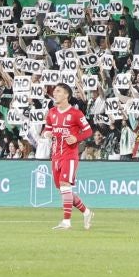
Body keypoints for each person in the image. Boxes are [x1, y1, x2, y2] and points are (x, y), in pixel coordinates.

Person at [43, 86, 95, 230]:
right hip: (55, 156)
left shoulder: (76, 113)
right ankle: (87, 212)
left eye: (58, 91)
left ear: (67, 95)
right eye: (54, 92)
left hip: (69, 155)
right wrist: (47, 134)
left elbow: (89, 130)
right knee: (64, 190)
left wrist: (76, 137)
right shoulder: (51, 113)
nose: (55, 93)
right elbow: (47, 128)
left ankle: (66, 222)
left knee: (66, 185)